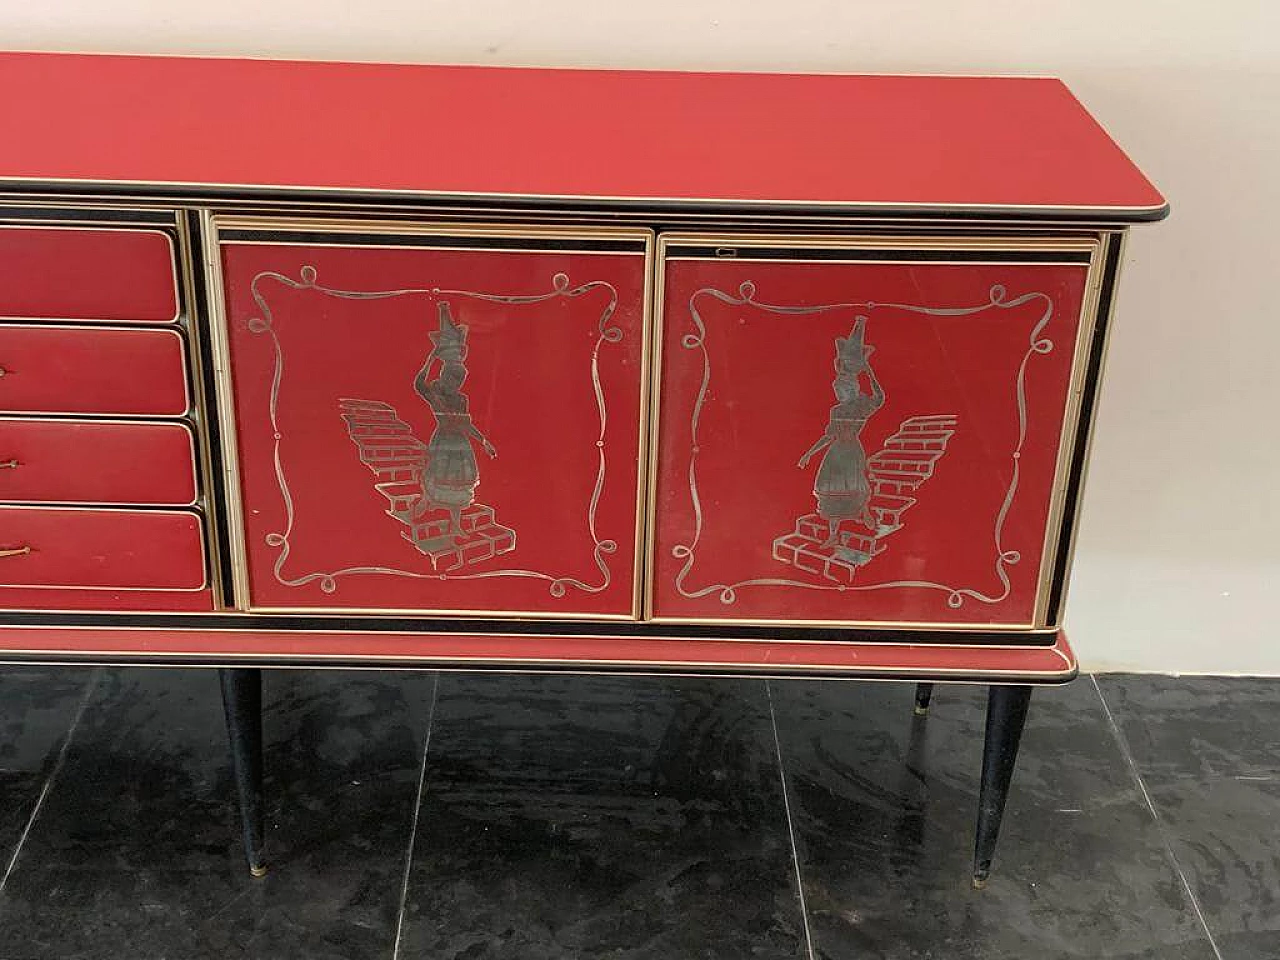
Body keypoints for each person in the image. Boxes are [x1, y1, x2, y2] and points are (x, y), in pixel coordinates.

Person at [797, 317, 884, 546]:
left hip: (852, 452)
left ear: (853, 390)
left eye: (843, 391)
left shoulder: (860, 405)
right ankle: (833, 535)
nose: (839, 395)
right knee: (827, 488)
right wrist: (809, 453)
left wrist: (869, 372)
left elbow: (880, 398)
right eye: (838, 391)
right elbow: (829, 435)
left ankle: (863, 512)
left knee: (855, 486)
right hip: (835, 453)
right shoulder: (837, 410)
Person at [412, 302, 497, 538]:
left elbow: (465, 424)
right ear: (445, 376)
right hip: (443, 443)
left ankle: (456, 524)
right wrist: (431, 358)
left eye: (458, 380)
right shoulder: (436, 393)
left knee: (459, 486)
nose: (456, 383)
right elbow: (418, 385)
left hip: (460, 444)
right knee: (437, 479)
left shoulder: (460, 399)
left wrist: (483, 441)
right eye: (453, 378)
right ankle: (423, 504)